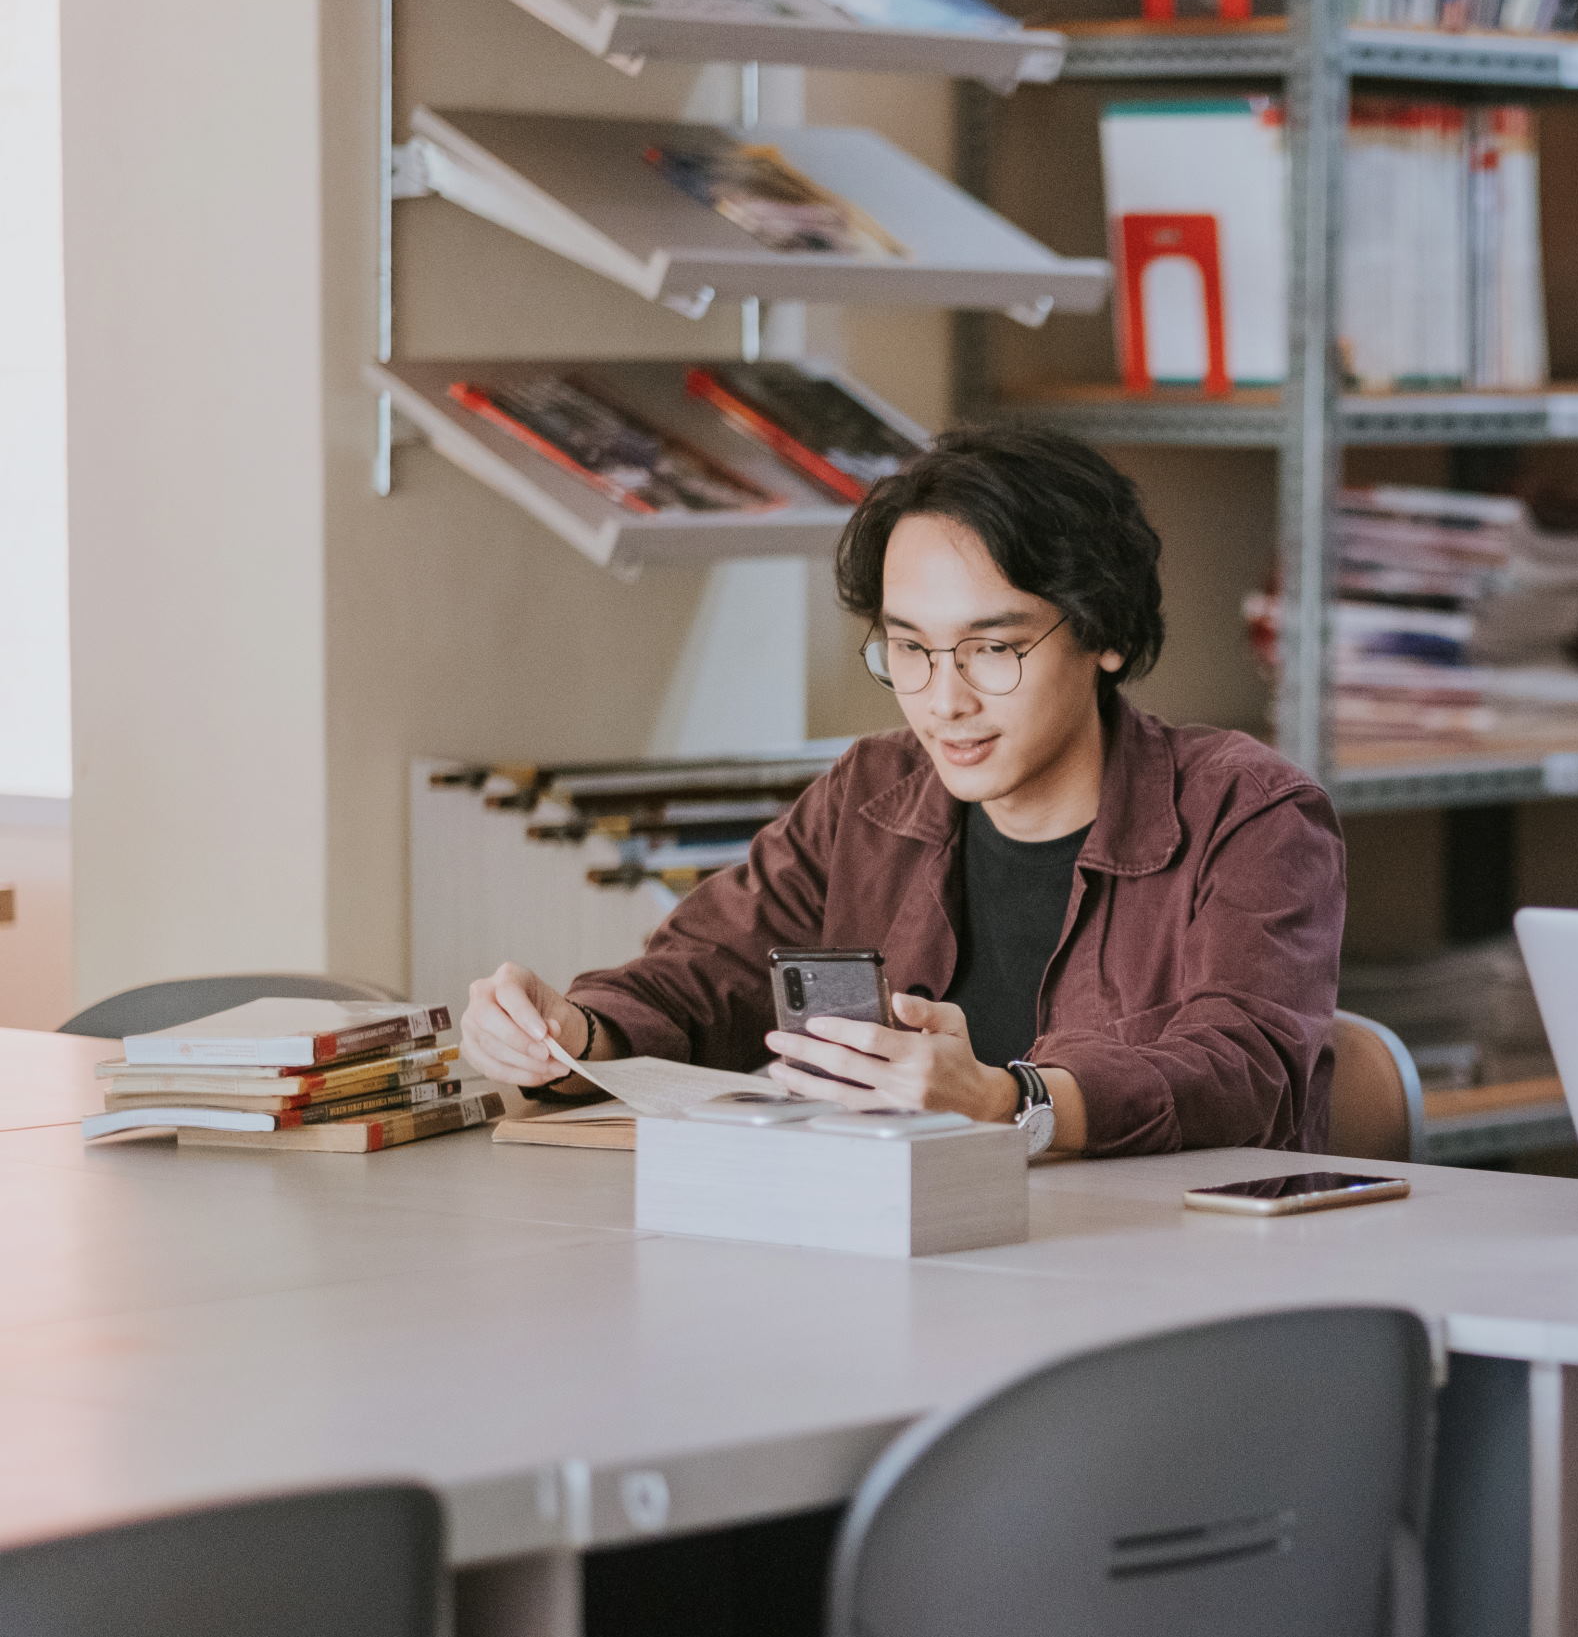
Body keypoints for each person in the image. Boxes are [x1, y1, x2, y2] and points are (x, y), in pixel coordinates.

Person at [460, 423, 1347, 1156]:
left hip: (1154, 1281)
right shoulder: (872, 795)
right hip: (908, 1269)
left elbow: (1248, 1075)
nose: (944, 699)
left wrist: (1011, 1099)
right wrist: (572, 1033)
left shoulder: (1250, 813)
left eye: (993, 650)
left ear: (1104, 631)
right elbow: (702, 979)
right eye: (910, 650)